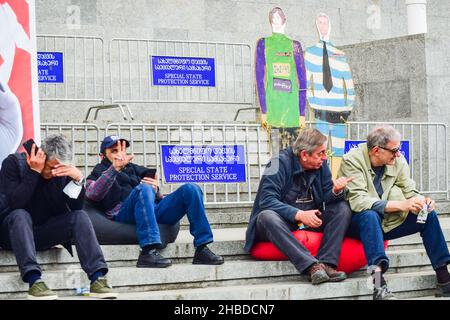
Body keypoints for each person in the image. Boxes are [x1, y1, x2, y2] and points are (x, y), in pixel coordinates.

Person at [338, 125, 450, 300]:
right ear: (376, 150)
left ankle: (444, 279)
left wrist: (423, 200)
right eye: (394, 150)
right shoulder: (351, 160)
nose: (398, 154)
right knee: (369, 215)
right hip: (356, 223)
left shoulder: (397, 160)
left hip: (386, 221)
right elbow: (359, 201)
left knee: (428, 215)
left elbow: (410, 190)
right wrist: (400, 205)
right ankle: (378, 285)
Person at [0, 134, 117, 300]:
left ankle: (97, 278)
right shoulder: (14, 163)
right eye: (51, 167)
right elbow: (15, 204)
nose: (55, 172)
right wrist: (34, 171)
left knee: (80, 217)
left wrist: (77, 181)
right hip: (11, 232)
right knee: (20, 215)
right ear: (42, 156)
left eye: (59, 168)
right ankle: (35, 281)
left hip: (43, 233)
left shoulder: (61, 172)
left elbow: (75, 208)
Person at [85, 135, 224, 268]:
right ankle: (148, 251)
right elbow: (92, 193)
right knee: (143, 189)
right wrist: (114, 169)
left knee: (191, 189)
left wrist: (156, 188)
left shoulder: (134, 168)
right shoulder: (98, 171)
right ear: (103, 156)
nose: (119, 154)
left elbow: (154, 195)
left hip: (150, 210)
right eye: (114, 151)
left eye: (121, 150)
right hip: (122, 214)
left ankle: (202, 248)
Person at [244, 128, 353, 285]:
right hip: (281, 221)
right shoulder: (276, 163)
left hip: (310, 219)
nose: (324, 157)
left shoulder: (321, 165)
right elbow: (266, 200)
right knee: (266, 216)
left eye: (325, 153)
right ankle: (312, 267)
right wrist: (299, 214)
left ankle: (327, 263)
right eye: (320, 153)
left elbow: (327, 199)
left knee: (341, 207)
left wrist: (336, 191)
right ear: (304, 154)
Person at [304, 13, 355, 177]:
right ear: (316, 25)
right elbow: (307, 80)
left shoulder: (339, 54)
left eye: (325, 23)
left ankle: (334, 177)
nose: (323, 26)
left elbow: (348, 81)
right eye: (320, 23)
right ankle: (324, 177)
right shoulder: (310, 53)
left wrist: (349, 105)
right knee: (321, 145)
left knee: (339, 146)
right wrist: (312, 101)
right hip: (320, 106)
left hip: (340, 107)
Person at [255, 7, 307, 130]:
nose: (275, 19)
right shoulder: (263, 43)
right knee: (275, 147)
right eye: (273, 17)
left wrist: (302, 113)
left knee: (293, 148)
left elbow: (303, 80)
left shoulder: (295, 46)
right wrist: (264, 111)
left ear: (284, 20)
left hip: (292, 109)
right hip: (272, 107)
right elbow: (259, 78)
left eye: (278, 16)